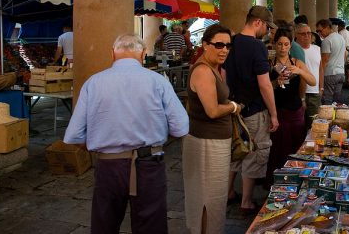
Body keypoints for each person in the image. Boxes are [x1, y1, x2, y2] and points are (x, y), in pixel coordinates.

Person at [63, 34, 189, 234]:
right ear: (143, 54)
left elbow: (74, 135)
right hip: (149, 164)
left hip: (107, 166)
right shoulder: (158, 81)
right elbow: (180, 127)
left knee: (104, 224)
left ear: (112, 54)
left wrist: (102, 145)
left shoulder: (93, 83)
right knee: (151, 226)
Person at [183, 24, 240, 234]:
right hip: (206, 144)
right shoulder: (203, 71)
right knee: (207, 198)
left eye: (228, 45)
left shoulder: (213, 68)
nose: (224, 49)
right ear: (205, 45)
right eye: (219, 44)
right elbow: (213, 111)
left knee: (214, 198)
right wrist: (234, 107)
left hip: (213, 142)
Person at [223, 5, 279, 214]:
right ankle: (246, 201)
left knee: (236, 151)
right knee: (254, 153)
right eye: (267, 26)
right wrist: (273, 114)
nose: (267, 31)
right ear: (258, 22)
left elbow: (223, 76)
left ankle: (228, 193)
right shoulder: (257, 47)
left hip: (233, 108)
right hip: (254, 109)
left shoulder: (231, 43)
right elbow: (264, 85)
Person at [266, 28, 315, 185]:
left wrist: (300, 71)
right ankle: (277, 182)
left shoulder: (296, 62)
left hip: (295, 111)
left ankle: (297, 180)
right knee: (277, 149)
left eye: (286, 44)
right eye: (279, 44)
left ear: (290, 45)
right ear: (275, 44)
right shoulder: (269, 64)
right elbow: (262, 87)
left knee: (295, 146)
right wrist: (275, 82)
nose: (282, 47)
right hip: (277, 111)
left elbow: (312, 81)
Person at [295, 23, 322, 130]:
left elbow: (321, 69)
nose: (307, 36)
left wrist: (321, 88)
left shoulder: (317, 49)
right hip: (299, 92)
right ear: (296, 35)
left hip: (315, 93)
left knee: (314, 125)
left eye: (309, 33)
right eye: (303, 34)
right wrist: (302, 98)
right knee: (300, 124)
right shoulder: (293, 51)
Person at [316, 19, 346, 104]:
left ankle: (327, 118)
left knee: (327, 102)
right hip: (341, 73)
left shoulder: (327, 41)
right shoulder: (341, 38)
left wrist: (320, 78)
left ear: (327, 27)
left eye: (320, 30)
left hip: (330, 74)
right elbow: (344, 56)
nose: (319, 33)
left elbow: (324, 61)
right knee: (336, 102)